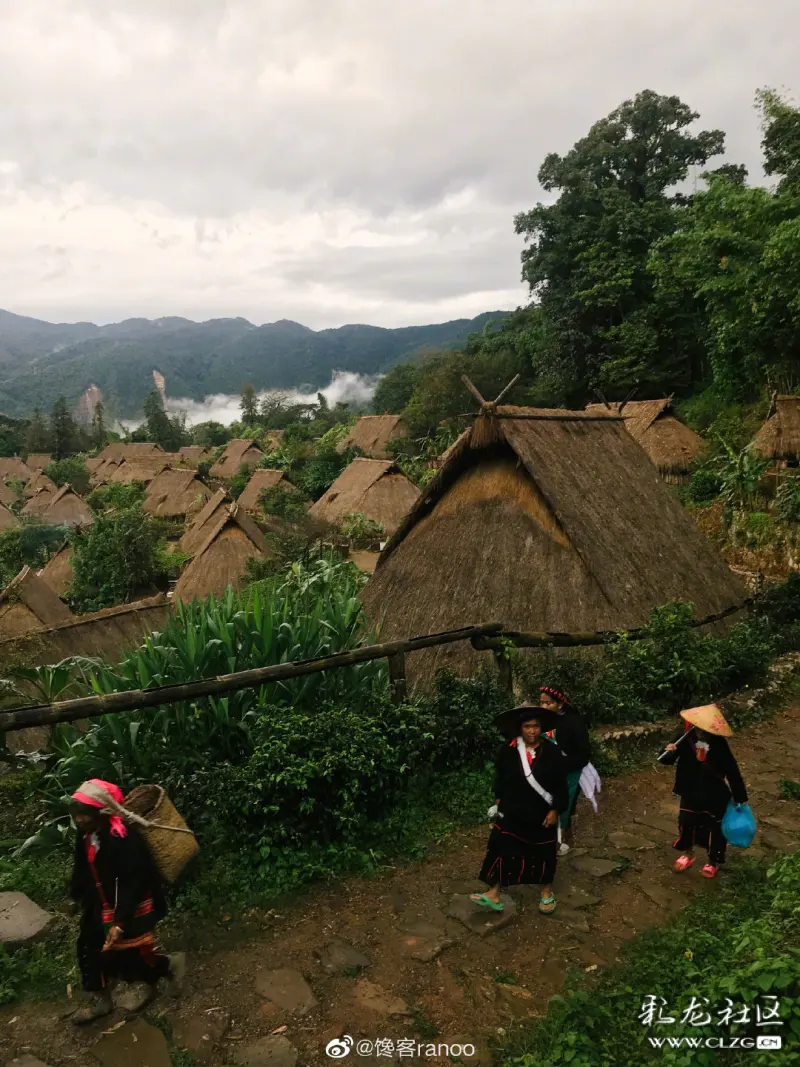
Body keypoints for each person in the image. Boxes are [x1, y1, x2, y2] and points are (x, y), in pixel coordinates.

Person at [68, 779, 175, 1024]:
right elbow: (82, 868)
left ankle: (153, 977)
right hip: (100, 901)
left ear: (102, 812)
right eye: (78, 815)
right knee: (89, 945)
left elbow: (133, 882)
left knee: (132, 950)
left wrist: (121, 921)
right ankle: (101, 999)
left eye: (84, 815)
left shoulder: (125, 838)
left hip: (130, 902)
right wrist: (76, 896)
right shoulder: (85, 833)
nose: (79, 820)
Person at [471, 704, 569, 915]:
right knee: (501, 847)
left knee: (543, 853)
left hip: (542, 814)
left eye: (535, 726)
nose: (532, 731)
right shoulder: (508, 750)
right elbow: (500, 777)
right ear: (520, 728)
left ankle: (546, 893)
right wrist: (498, 799)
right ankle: (495, 893)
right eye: (527, 726)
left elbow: (561, 785)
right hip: (513, 811)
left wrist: (555, 810)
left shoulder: (552, 752)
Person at [659, 704, 748, 879]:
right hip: (690, 790)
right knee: (686, 822)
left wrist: (740, 796)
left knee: (715, 828)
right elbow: (668, 760)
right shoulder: (684, 738)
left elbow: (732, 770)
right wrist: (667, 750)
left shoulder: (720, 745)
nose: (700, 730)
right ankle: (688, 853)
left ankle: (713, 861)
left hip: (714, 794)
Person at [538, 685, 593, 855]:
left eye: (548, 703)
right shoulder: (542, 720)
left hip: (569, 772)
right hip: (546, 771)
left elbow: (583, 754)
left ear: (560, 704)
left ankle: (562, 841)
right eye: (541, 703)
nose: (544, 707)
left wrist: (562, 763)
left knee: (563, 807)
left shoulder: (574, 722)